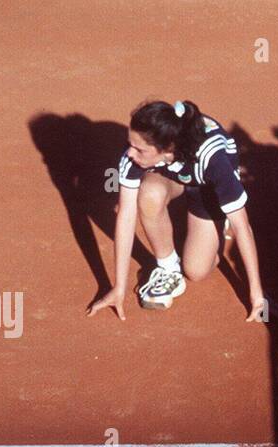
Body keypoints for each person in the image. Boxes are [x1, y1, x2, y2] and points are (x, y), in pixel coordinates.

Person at [88, 99, 268, 322]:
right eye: (130, 143)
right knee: (149, 195)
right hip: (173, 173)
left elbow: (242, 227)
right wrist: (119, 287)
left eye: (140, 149)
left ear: (167, 149)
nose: (131, 153)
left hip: (206, 186)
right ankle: (167, 267)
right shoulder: (136, 155)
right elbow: (126, 214)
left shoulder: (214, 160)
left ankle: (217, 225)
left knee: (196, 270)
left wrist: (257, 296)